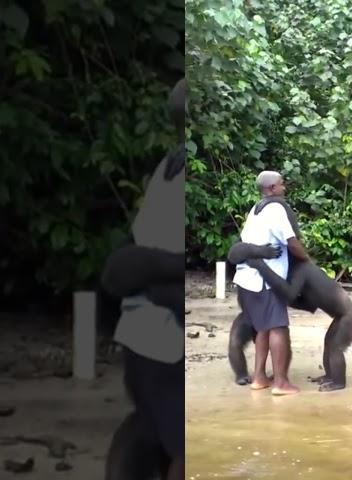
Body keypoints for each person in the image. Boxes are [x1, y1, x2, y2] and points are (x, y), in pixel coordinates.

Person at [107, 78, 186, 480]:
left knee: (151, 430)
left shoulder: (167, 168)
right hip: (164, 336)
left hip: (137, 330)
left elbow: (137, 250)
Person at [232, 170, 309, 396]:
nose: (284, 188)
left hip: (246, 279)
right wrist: (309, 261)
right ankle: (281, 383)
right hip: (265, 282)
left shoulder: (255, 209)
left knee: (263, 328)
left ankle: (259, 378)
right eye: (282, 184)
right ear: (272, 188)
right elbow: (292, 242)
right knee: (278, 329)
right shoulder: (276, 208)